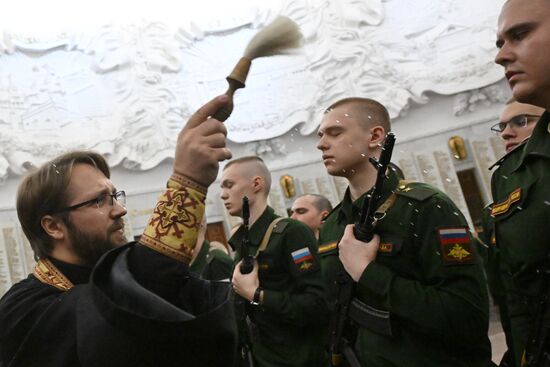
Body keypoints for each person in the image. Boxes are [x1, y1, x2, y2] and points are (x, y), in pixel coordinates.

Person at [0, 95, 237, 367]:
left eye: (115, 196)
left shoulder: (113, 274)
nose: (120, 210)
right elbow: (118, 308)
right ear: (53, 226)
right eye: (99, 200)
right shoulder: (23, 309)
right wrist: (188, 182)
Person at [316, 97, 492, 366]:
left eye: (335, 132)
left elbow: (466, 315)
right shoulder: (333, 225)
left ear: (375, 136)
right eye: (320, 135)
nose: (321, 144)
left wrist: (368, 273)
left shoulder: (427, 207)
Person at [220, 156, 327, 367]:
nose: (223, 194)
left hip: (295, 358)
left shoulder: (291, 232)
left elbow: (316, 305)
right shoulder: (244, 238)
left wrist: (257, 295)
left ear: (256, 184)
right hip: (261, 355)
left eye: (229, 185)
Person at [492, 0, 550, 365]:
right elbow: (517, 294)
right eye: (499, 43)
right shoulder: (514, 173)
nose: (501, 57)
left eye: (520, 34)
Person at [481, 97, 543, 367]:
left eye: (521, 121)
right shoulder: (497, 202)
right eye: (502, 125)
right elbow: (510, 300)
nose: (507, 132)